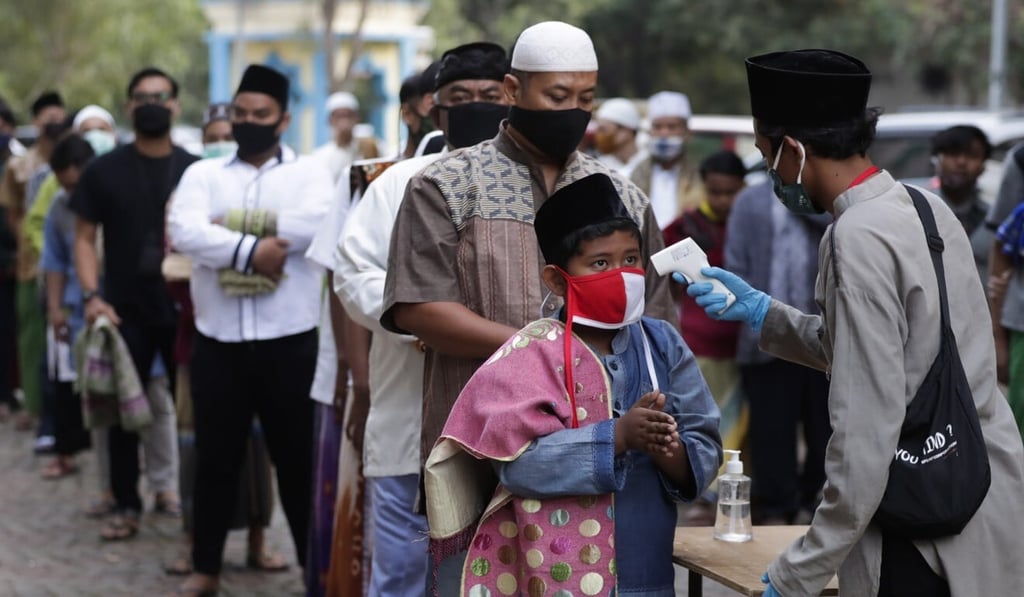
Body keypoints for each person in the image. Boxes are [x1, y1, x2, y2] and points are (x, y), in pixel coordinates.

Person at [686, 48, 1024, 597]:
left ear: (792, 150)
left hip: (921, 529)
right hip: (986, 489)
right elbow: (906, 355)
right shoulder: (922, 206)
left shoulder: (855, 236)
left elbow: (865, 428)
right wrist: (765, 312)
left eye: (765, 153)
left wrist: (803, 570)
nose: (768, 170)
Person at [381, 21, 677, 479]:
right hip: (480, 442)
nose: (573, 111)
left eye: (585, 99)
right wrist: (542, 352)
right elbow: (419, 307)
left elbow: (656, 322)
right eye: (557, 98)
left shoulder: (624, 195)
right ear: (513, 90)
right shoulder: (447, 184)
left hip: (610, 446)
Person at [423, 172, 722, 595]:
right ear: (557, 280)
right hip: (556, 576)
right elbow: (518, 464)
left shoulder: (663, 343)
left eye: (631, 259)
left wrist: (666, 447)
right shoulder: (532, 353)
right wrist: (617, 436)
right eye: (600, 263)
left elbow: (706, 446)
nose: (621, 274)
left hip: (647, 576)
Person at [334, 40, 511, 597]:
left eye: (489, 95)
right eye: (462, 97)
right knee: (403, 579)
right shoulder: (396, 184)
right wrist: (418, 323)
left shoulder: (535, 185)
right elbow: (352, 273)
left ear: (512, 99)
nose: (477, 106)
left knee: (498, 573)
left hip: (511, 425)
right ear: (437, 109)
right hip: (410, 414)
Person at [168, 64, 333, 596]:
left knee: (297, 463)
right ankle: (206, 568)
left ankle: (315, 571)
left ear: (283, 119)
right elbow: (183, 231)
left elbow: (317, 225)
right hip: (218, 341)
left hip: (290, 342)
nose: (247, 122)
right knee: (215, 459)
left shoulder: (308, 174)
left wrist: (227, 229)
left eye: (259, 115)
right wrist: (250, 250)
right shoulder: (203, 174)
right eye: (239, 114)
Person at [71, 68, 194, 541]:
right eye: (142, 97)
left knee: (189, 415)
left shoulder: (196, 168)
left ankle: (185, 504)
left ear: (175, 105)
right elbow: (84, 238)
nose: (151, 103)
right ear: (128, 107)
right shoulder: (103, 170)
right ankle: (126, 503)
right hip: (123, 310)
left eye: (160, 96)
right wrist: (91, 295)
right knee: (123, 413)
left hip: (185, 313)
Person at [162, 101, 283, 578]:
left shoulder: (270, 191)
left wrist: (221, 245)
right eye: (214, 134)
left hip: (267, 346)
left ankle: (257, 540)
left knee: (259, 457)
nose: (222, 141)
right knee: (203, 456)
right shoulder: (192, 190)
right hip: (201, 344)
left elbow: (286, 247)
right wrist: (246, 249)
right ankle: (197, 551)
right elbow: (176, 263)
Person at [724, 179, 832, 525]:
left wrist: (808, 204)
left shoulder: (825, 196)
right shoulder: (749, 201)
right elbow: (735, 261)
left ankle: (816, 500)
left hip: (823, 334)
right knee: (771, 428)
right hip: (764, 334)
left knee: (824, 427)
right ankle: (776, 506)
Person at [662, 149, 747, 524]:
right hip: (701, 343)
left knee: (740, 425)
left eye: (731, 192)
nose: (723, 201)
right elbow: (660, 274)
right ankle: (707, 492)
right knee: (706, 421)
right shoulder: (683, 229)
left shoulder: (750, 224)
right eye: (716, 192)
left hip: (745, 341)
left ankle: (733, 491)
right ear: (704, 188)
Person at [1, 91, 66, 437]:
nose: (53, 122)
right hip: (31, 264)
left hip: (67, 265)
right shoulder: (20, 165)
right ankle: (34, 406)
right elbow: (16, 215)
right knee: (31, 338)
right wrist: (33, 249)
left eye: (59, 116)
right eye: (47, 117)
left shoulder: (76, 160)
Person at [39, 134, 95, 480]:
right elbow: (54, 261)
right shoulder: (59, 207)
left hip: (110, 306)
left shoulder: (108, 197)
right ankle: (66, 452)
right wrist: (55, 309)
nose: (71, 193)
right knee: (64, 384)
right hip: (74, 307)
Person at [927, 125, 993, 284]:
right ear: (937, 160)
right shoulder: (917, 211)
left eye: (972, 155)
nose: (961, 162)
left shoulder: (993, 220)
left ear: (983, 166)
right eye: (953, 153)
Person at [630, 90, 702, 229]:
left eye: (672, 127)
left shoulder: (697, 176)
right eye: (658, 127)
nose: (664, 134)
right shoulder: (638, 173)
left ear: (687, 133)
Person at [313, 91, 378, 183]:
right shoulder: (320, 157)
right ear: (330, 120)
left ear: (356, 118)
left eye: (348, 115)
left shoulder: (370, 147)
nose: (344, 121)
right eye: (339, 116)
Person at [594, 97, 644, 176]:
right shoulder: (599, 166)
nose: (599, 135)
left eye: (603, 129)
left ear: (626, 131)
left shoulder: (648, 164)